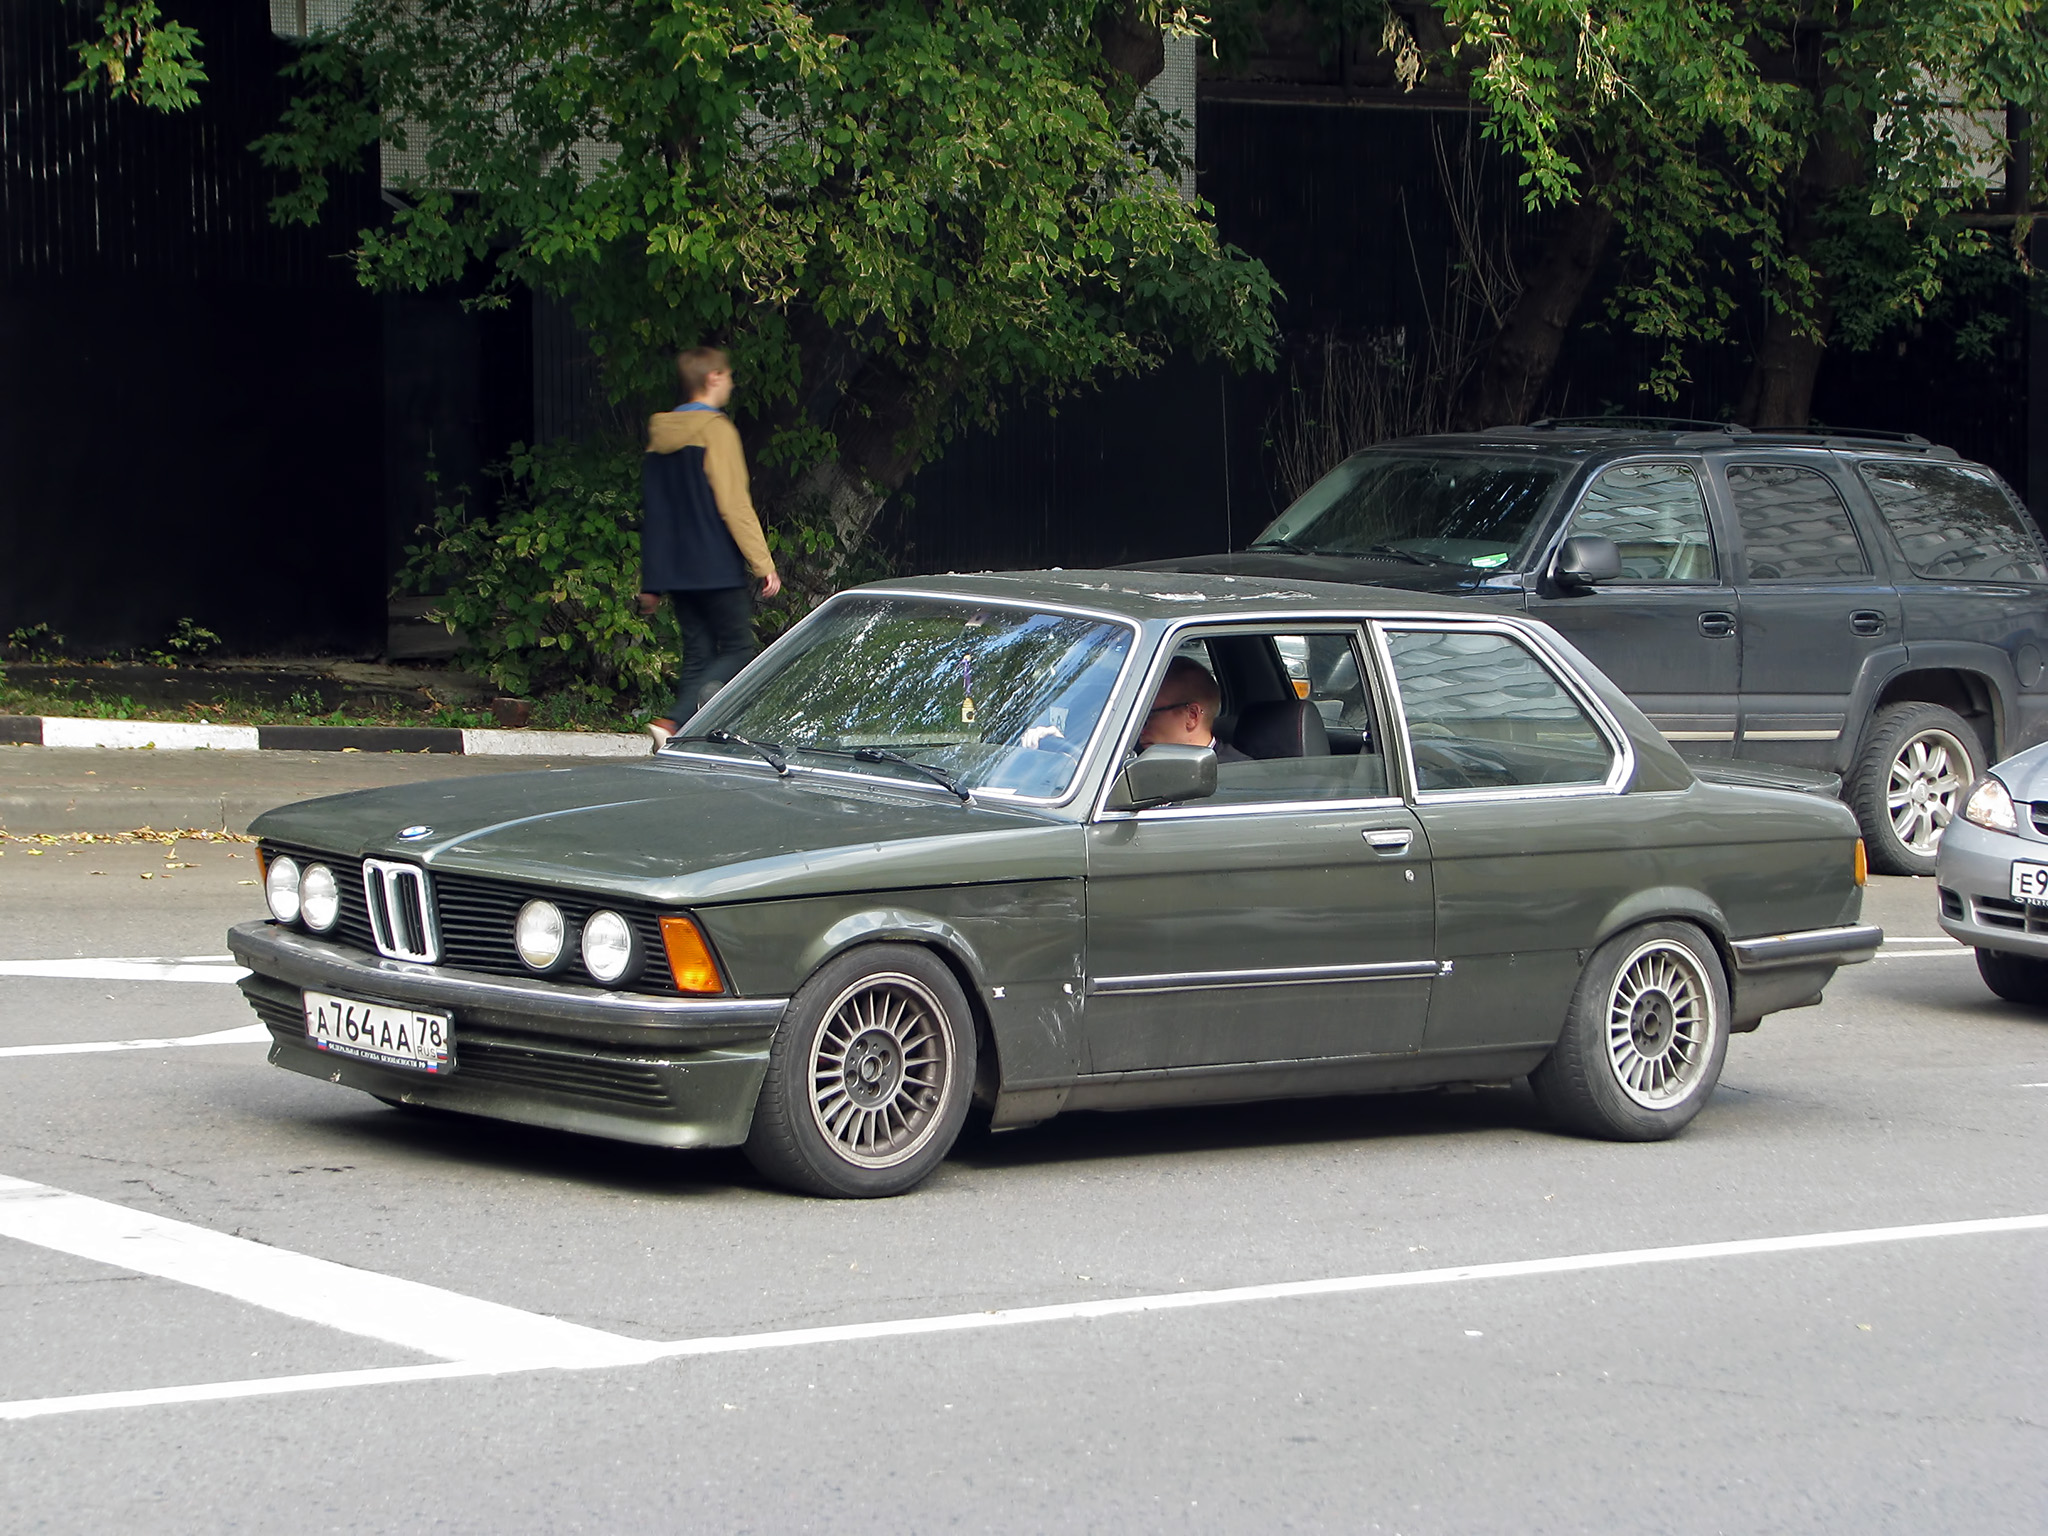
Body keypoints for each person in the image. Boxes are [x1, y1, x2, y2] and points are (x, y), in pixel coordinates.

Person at [637, 346, 782, 751]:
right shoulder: (717, 430)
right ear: (713, 377)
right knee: (739, 649)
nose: (732, 382)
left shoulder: (659, 438)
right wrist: (763, 563)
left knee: (698, 654)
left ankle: (677, 739)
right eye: (728, 375)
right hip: (715, 562)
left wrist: (653, 580)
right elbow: (733, 503)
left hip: (677, 569)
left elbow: (655, 514)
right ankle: (675, 719)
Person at [1137, 656, 1248, 762]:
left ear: (1192, 716)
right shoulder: (1132, 762)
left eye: (1147, 716)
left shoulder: (1239, 776)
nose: (1139, 730)